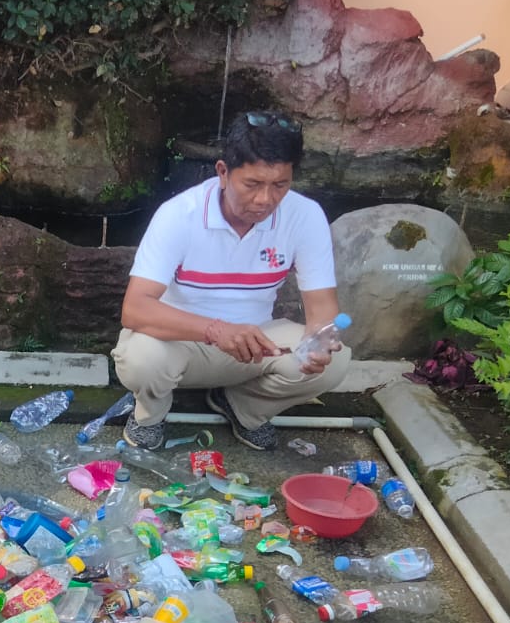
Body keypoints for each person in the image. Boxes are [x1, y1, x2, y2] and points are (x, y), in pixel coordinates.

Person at [113, 111, 351, 451]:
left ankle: (243, 408)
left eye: (280, 185)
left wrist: (319, 340)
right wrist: (217, 330)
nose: (265, 199)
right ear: (223, 173)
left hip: (257, 344)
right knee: (141, 359)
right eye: (252, 184)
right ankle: (150, 415)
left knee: (336, 361)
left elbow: (322, 306)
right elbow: (135, 310)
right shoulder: (180, 214)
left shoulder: (306, 215)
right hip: (181, 344)